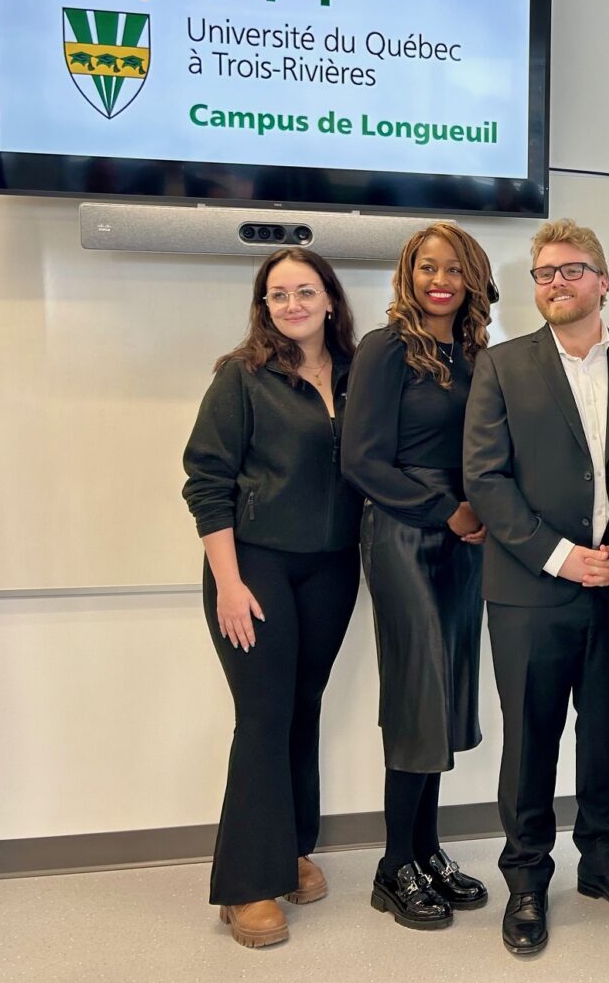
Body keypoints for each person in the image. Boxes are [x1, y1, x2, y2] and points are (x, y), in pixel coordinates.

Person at [463, 218, 609, 956]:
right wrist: (559, 557)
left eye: (571, 270)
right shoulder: (502, 365)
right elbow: (484, 477)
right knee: (531, 738)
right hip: (530, 588)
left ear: (602, 281)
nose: (556, 282)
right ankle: (526, 877)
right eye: (544, 273)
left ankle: (605, 860)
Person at [182, 248, 363, 948]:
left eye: (304, 291)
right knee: (262, 716)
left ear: (329, 299)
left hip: (332, 568)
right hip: (254, 566)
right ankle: (244, 885)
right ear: (264, 306)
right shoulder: (242, 376)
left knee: (302, 708)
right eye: (277, 294)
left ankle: (289, 850)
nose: (292, 305)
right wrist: (229, 584)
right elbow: (206, 481)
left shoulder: (356, 373)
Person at [342, 223, 496, 931]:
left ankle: (427, 851)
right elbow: (361, 461)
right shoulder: (385, 349)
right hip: (405, 529)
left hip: (463, 537)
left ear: (473, 279)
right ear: (409, 274)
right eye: (428, 267)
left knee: (444, 694)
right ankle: (393, 864)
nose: (441, 280)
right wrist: (447, 512)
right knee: (416, 693)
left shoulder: (475, 355)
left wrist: (480, 511)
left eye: (454, 269)